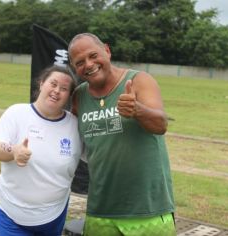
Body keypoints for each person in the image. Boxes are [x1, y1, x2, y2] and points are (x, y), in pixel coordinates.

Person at [68, 33, 176, 236]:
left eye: (93, 55)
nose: (89, 64)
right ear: (75, 68)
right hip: (101, 211)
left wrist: (137, 110)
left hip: (147, 210)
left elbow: (161, 124)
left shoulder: (139, 81)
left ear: (107, 51)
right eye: (80, 62)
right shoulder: (79, 97)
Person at [0, 65, 82, 236]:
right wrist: (13, 151)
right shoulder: (16, 113)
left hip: (53, 215)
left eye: (63, 89)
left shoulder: (75, 125)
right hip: (11, 212)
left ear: (69, 96)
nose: (56, 91)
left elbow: (96, 155)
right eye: (52, 84)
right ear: (41, 84)